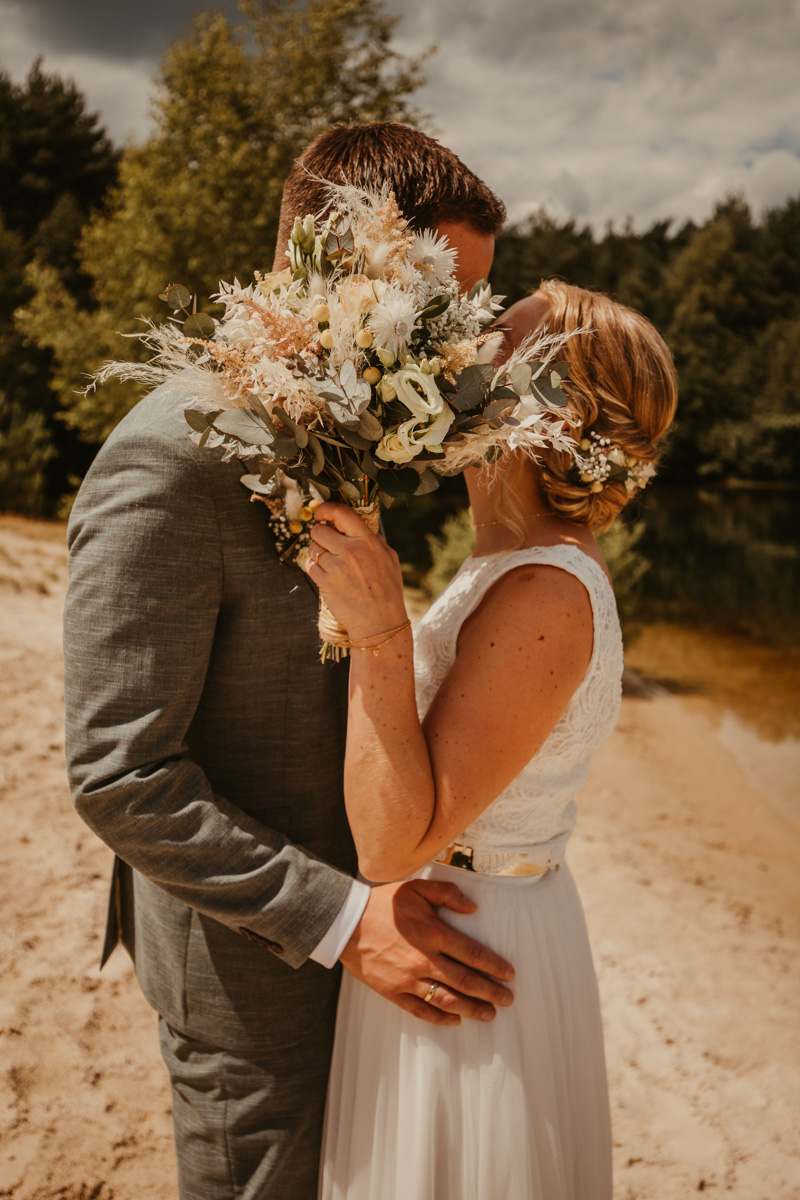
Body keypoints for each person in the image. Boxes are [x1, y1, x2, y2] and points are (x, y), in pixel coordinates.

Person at [63, 123, 516, 1200]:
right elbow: (119, 775)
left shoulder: (353, 427)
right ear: (343, 267)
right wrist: (344, 920)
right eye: (440, 299)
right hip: (251, 963)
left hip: (366, 933)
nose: (452, 336)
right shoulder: (165, 459)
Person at [308, 280, 679, 1200]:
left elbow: (396, 842)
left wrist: (380, 631)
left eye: (496, 336)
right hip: (447, 921)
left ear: (551, 404)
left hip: (470, 943)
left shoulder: (547, 590)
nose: (463, 342)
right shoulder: (504, 562)